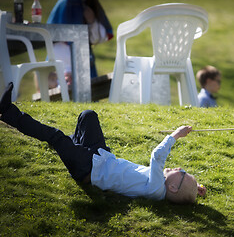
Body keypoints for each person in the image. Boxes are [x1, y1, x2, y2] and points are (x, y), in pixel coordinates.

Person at [0, 83, 206, 204]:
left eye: (181, 172)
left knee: (55, 137)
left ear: (172, 186)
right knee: (88, 116)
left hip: (87, 169)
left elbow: (157, 156)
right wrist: (195, 187)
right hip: (101, 156)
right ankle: (73, 147)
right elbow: (180, 187)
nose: (178, 167)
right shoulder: (165, 186)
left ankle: (8, 113)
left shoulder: (155, 188)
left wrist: (176, 135)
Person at [42, 0, 113, 89]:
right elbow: (51, 35)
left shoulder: (88, 5)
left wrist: (92, 21)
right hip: (60, 61)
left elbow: (99, 37)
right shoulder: (65, 2)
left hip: (83, 58)